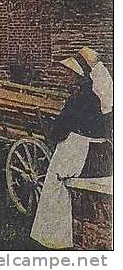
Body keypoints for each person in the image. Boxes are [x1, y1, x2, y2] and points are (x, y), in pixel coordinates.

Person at [31, 47, 113, 249]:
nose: (66, 77)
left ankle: (53, 238)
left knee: (54, 183)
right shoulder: (98, 97)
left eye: (70, 73)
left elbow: (61, 128)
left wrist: (53, 133)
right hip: (100, 154)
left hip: (79, 151)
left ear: (78, 76)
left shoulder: (78, 98)